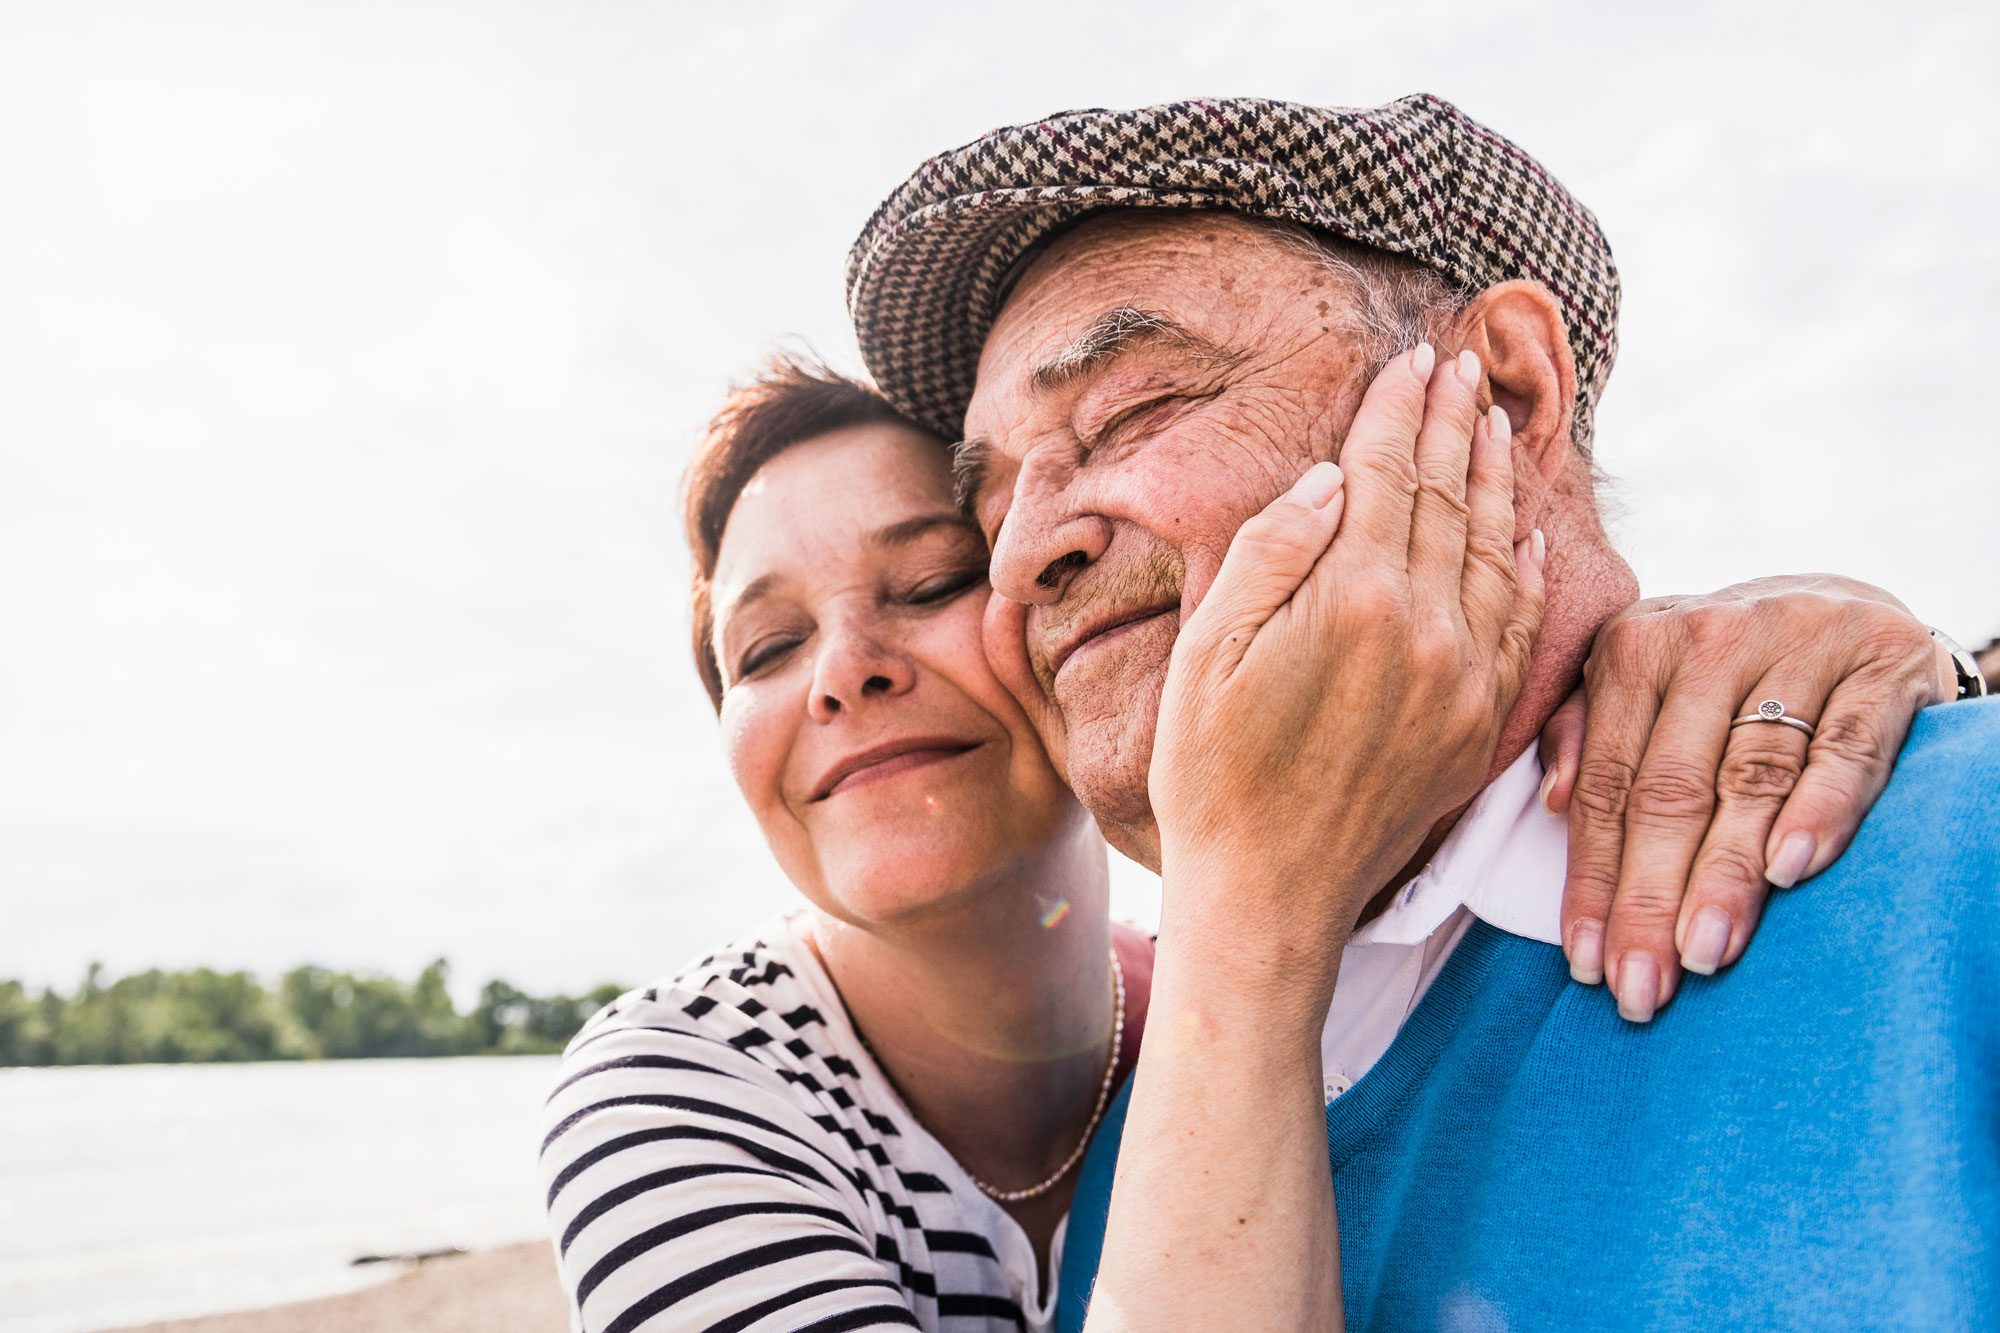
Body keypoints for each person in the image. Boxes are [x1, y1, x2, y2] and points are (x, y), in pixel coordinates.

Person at [840, 93, 1999, 1329]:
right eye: (986, 513)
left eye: (1130, 411)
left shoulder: (1953, 857)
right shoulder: (1130, 1165)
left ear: (1502, 395)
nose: (1019, 560)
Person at [537, 348, 1959, 1331]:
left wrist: (1844, 645)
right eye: (768, 643)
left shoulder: (1263, 998)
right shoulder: (677, 1093)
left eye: (930, 581)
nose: (845, 668)